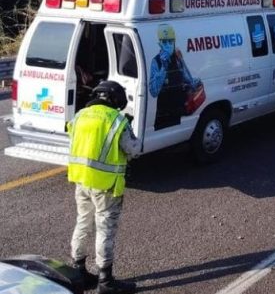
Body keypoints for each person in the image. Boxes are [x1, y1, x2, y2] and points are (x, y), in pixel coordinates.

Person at [68, 81, 139, 294]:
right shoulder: (117, 120)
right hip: (106, 186)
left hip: (81, 180)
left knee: (83, 222)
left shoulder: (80, 115)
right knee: (105, 230)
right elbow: (133, 149)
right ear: (115, 99)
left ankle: (78, 271)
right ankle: (106, 281)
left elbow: (73, 136)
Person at [149, 24, 201, 129]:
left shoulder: (177, 58)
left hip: (177, 110)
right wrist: (163, 68)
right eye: (164, 42)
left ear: (174, 42)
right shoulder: (156, 61)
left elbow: (187, 79)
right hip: (163, 113)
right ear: (160, 44)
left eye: (171, 41)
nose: (168, 45)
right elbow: (153, 91)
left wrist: (195, 83)